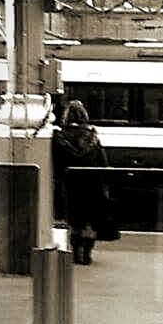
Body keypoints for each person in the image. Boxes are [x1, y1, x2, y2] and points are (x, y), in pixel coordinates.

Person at [52, 100, 108, 266]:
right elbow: (103, 163)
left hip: (71, 184)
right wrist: (105, 185)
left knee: (75, 220)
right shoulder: (92, 137)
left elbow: (56, 163)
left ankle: (76, 253)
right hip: (92, 183)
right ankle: (87, 255)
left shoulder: (59, 137)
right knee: (90, 220)